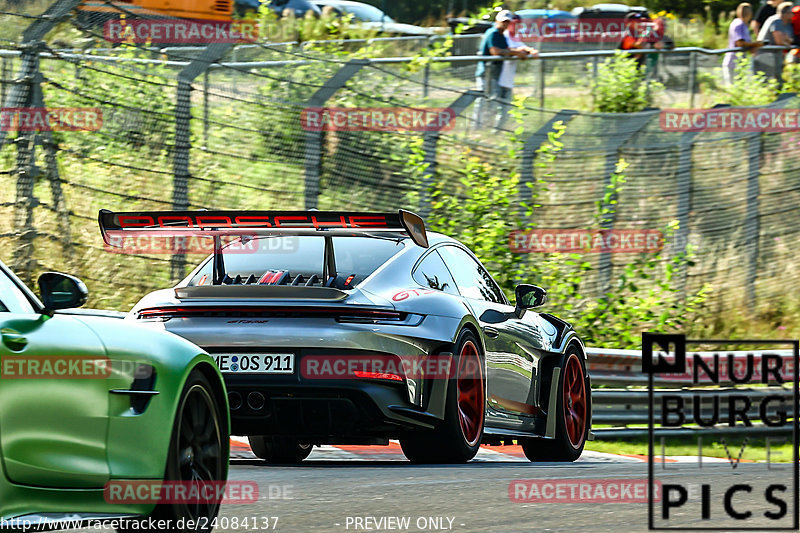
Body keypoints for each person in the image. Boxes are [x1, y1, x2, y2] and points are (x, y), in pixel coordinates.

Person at [473, 10, 528, 128]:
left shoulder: (501, 35)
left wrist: (519, 52)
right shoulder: (493, 33)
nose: (505, 24)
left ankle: (485, 127)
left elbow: (507, 49)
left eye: (507, 22)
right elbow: (495, 51)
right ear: (497, 20)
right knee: (484, 101)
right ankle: (477, 127)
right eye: (503, 21)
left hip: (493, 74)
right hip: (486, 73)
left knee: (491, 101)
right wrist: (517, 53)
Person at [496, 14, 538, 128]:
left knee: (506, 106)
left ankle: (498, 130)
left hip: (508, 78)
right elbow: (511, 49)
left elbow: (521, 46)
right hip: (499, 76)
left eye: (518, 24)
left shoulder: (515, 37)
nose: (516, 26)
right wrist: (521, 52)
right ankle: (491, 129)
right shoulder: (504, 35)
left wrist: (530, 50)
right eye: (514, 24)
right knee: (496, 105)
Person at [754, 1, 795, 84]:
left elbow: (789, 39)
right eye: (792, 12)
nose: (793, 15)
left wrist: (787, 41)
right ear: (786, 13)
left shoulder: (782, 22)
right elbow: (779, 41)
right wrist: (787, 43)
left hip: (771, 56)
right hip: (766, 56)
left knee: (776, 81)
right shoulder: (777, 21)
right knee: (769, 83)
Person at [723, 3, 764, 85]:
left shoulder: (743, 25)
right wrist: (754, 44)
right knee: (733, 89)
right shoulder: (738, 24)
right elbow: (739, 42)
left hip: (740, 63)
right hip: (733, 63)